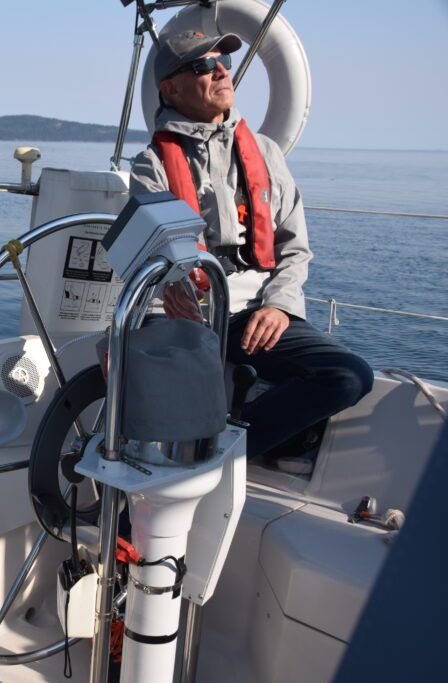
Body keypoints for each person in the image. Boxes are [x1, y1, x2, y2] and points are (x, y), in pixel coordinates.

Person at [129, 30, 373, 472]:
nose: (222, 70)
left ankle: (223, 449)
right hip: (187, 316)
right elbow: (153, 250)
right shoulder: (151, 165)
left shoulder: (265, 152)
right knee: (154, 404)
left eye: (223, 60)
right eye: (203, 66)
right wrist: (171, 285)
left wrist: (279, 306)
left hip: (252, 314)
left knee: (348, 376)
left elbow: (294, 249)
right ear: (171, 87)